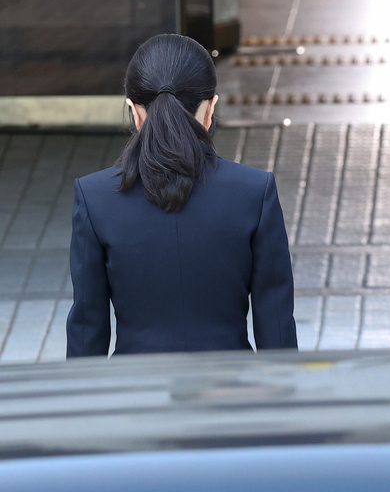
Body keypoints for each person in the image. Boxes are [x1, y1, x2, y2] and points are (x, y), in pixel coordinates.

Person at [66, 34, 298, 356]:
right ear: (210, 109)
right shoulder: (255, 192)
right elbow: (277, 328)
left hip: (135, 396)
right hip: (231, 395)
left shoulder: (94, 197)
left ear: (134, 112)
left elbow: (87, 329)